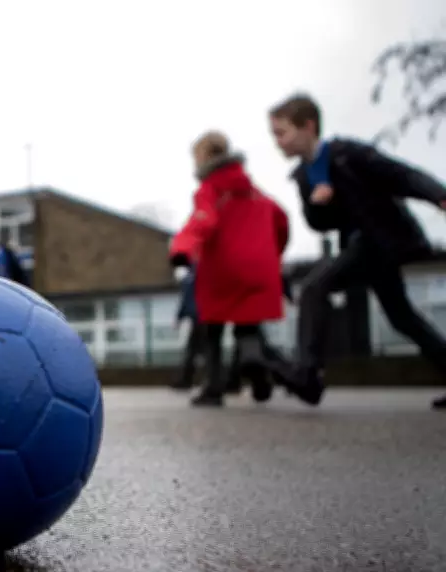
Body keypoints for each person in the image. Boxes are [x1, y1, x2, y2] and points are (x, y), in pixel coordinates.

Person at [267, 93, 446, 409]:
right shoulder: (304, 176)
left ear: (308, 126)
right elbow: (318, 223)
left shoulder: (348, 154)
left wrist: (438, 195)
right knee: (402, 318)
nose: (277, 142)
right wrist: (317, 202)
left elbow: (401, 175)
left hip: (383, 238)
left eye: (282, 133)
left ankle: (307, 375)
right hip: (361, 244)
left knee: (314, 287)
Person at [170, 131, 290, 407]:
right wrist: (273, 253)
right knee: (247, 327)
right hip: (258, 269)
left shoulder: (210, 190)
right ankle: (257, 369)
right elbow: (280, 220)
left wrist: (182, 249)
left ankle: (213, 389)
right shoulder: (254, 191)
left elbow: (204, 222)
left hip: (222, 269)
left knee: (213, 331)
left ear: (202, 159)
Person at [171, 266, 204, 390]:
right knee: (200, 351)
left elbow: (186, 302)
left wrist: (178, 318)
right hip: (205, 317)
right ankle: (186, 379)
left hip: (198, 319)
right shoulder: (196, 277)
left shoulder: (187, 281)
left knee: (193, 351)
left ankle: (185, 380)